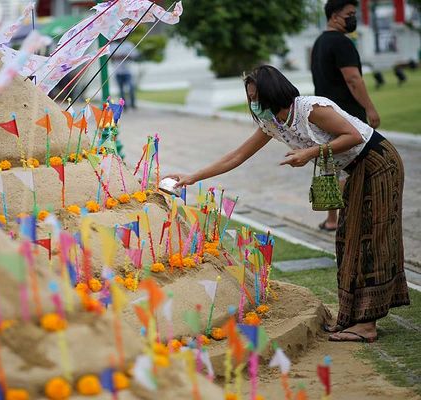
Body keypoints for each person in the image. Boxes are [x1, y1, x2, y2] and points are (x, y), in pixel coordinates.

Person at [166, 65, 410, 342]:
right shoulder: (272, 122)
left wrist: (309, 153)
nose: (253, 104)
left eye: (256, 97)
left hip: (378, 163)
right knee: (348, 239)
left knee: (370, 239)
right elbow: (236, 156)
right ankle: (352, 318)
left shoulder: (310, 109)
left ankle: (366, 325)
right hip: (355, 170)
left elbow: (353, 136)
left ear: (272, 93)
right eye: (251, 98)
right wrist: (192, 177)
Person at [311, 0, 381, 232]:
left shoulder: (320, 43)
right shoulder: (342, 43)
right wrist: (370, 108)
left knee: (332, 165)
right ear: (333, 16)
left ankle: (332, 220)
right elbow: (353, 79)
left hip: (325, 116)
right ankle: (353, 218)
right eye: (349, 14)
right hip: (347, 117)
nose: (353, 18)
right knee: (355, 168)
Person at [111, 40, 139, 109]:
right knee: (121, 90)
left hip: (128, 71)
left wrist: (122, 56)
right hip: (118, 71)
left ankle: (132, 103)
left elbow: (134, 55)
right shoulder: (113, 45)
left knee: (131, 87)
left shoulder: (129, 44)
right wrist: (123, 56)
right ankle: (124, 105)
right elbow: (112, 57)